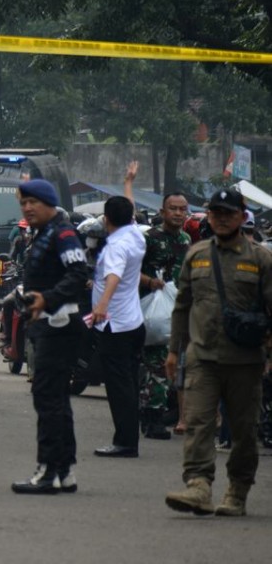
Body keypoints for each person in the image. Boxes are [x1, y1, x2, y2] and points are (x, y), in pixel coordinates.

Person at [164, 188, 272, 517]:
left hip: (246, 362)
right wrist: (173, 352)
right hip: (202, 358)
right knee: (198, 424)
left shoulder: (260, 258)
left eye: (229, 212)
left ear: (242, 216)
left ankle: (238, 490)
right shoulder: (196, 254)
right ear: (208, 215)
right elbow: (182, 307)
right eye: (216, 212)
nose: (222, 218)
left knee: (243, 430)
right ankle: (198, 485)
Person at [10, 179, 88, 495]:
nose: (28, 208)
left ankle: (47, 472)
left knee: (47, 397)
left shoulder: (63, 233)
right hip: (47, 324)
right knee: (56, 398)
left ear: (49, 203)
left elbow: (79, 274)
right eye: (23, 203)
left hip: (59, 324)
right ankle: (64, 471)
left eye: (33, 202)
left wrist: (47, 298)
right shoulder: (45, 233)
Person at [91, 195, 146, 458]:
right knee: (130, 382)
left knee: (118, 387)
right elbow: (130, 211)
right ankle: (129, 438)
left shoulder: (116, 246)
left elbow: (114, 275)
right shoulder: (135, 235)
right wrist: (128, 183)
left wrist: (101, 305)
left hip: (115, 326)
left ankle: (125, 442)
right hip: (133, 322)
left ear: (106, 219)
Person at [137, 189, 191, 440]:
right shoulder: (148, 239)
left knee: (171, 367)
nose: (179, 213)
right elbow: (128, 272)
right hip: (150, 309)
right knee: (158, 364)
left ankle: (155, 413)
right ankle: (152, 418)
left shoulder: (186, 241)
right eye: (173, 208)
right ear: (162, 211)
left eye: (182, 209)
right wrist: (149, 282)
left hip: (176, 309)